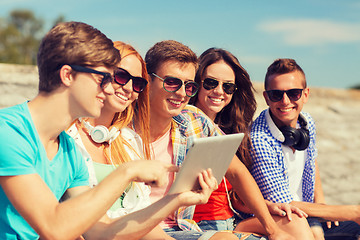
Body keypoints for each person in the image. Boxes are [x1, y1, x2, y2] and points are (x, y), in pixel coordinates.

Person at [0, 21, 189, 239]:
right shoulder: (8, 131)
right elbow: (53, 227)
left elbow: (102, 232)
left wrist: (176, 200)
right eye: (103, 79)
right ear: (68, 75)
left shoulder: (69, 152)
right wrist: (127, 171)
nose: (109, 89)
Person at [144, 40, 314, 240]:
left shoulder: (200, 123)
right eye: (210, 83)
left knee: (293, 224)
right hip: (184, 227)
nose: (181, 92)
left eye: (228, 87)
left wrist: (271, 223)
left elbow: (236, 176)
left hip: (209, 224)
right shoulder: (128, 132)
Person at [67, 41, 219, 240]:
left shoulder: (129, 141)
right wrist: (128, 172)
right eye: (121, 76)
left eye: (138, 84)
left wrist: (179, 200)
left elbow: (142, 220)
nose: (129, 88)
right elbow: (97, 231)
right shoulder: (67, 139)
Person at [250, 58, 360, 240]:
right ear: (266, 97)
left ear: (306, 94)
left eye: (293, 93)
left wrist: (321, 204)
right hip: (280, 219)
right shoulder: (259, 140)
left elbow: (312, 160)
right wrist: (352, 211)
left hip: (307, 212)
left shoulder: (306, 122)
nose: (285, 101)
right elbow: (284, 205)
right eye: (276, 94)